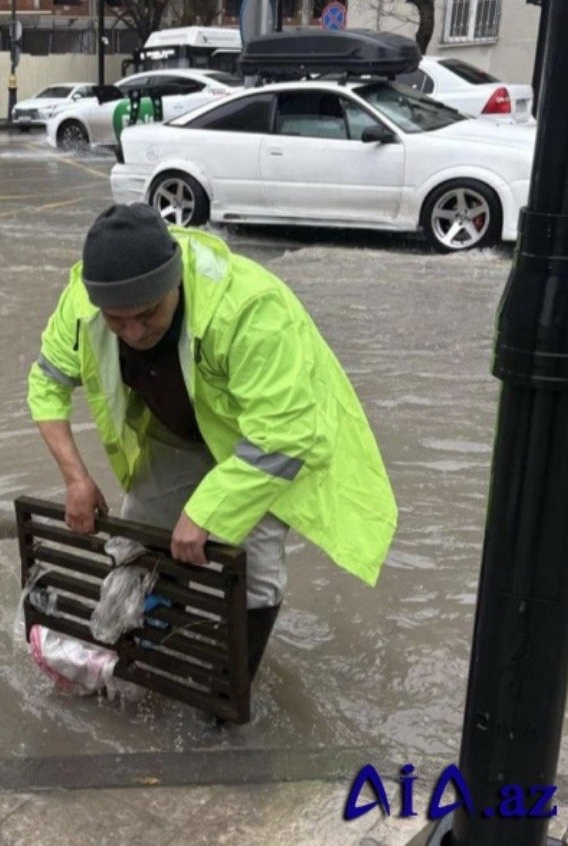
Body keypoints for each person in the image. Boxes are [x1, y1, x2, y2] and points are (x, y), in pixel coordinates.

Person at [27, 203, 397, 684]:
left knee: (253, 571)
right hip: (176, 427)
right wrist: (76, 477)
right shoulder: (82, 304)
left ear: (175, 281)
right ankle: (144, 649)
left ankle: (231, 692)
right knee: (136, 539)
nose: (134, 333)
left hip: (260, 443)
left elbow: (286, 436)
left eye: (148, 313)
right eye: (117, 322)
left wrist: (208, 512)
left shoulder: (250, 309)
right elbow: (46, 383)